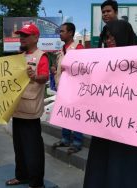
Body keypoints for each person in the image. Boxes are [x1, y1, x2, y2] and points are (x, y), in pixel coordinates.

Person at [83, 20, 137, 188]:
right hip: (105, 128)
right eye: (106, 38)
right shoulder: (100, 61)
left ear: (125, 35)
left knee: (129, 174)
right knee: (103, 168)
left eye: (113, 37)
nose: (109, 41)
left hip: (132, 130)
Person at [5, 24, 49, 188]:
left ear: (36, 37)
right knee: (19, 147)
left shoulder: (41, 56)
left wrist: (35, 76)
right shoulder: (19, 56)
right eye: (20, 35)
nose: (22, 38)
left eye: (25, 35)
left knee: (33, 150)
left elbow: (44, 78)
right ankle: (21, 176)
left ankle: (37, 183)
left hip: (30, 112)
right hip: (17, 109)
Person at [51, 22, 84, 154]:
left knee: (75, 115)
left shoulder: (79, 48)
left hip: (75, 89)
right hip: (62, 88)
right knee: (65, 113)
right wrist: (55, 69)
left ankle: (77, 141)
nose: (60, 33)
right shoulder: (62, 50)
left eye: (62, 31)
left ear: (70, 33)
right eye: (60, 31)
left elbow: (84, 68)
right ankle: (65, 138)